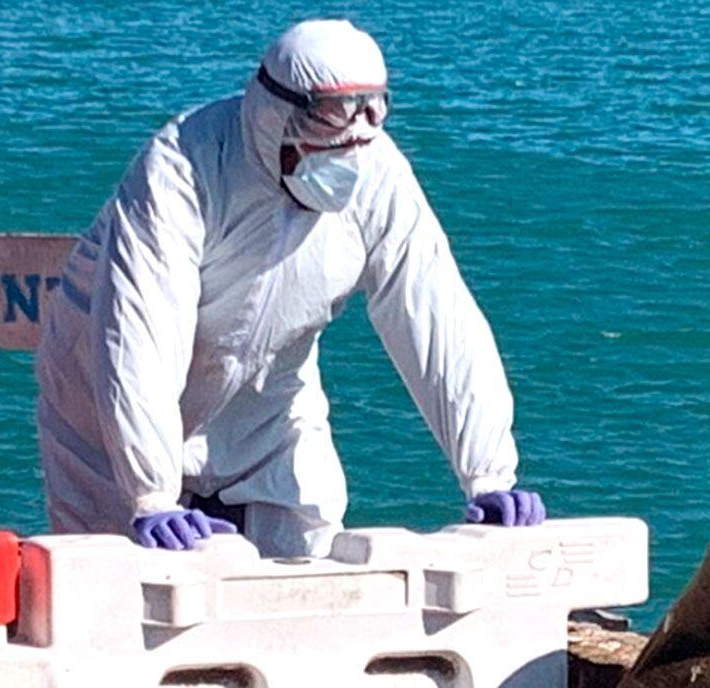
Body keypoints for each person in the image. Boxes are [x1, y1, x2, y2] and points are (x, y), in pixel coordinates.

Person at [35, 19, 545, 555]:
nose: (350, 140)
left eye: (370, 112)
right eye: (330, 118)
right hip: (102, 415)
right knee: (115, 592)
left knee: (311, 572)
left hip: (268, 408)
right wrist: (152, 493)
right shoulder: (182, 168)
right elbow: (139, 334)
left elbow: (437, 319)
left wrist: (489, 474)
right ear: (275, 113)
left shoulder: (378, 173)